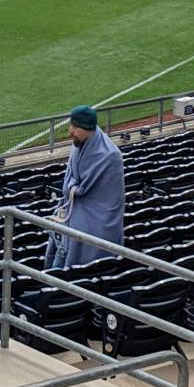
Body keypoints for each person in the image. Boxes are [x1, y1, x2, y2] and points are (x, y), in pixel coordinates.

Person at [50, 107, 123, 268]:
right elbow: (69, 184)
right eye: (71, 125)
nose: (71, 131)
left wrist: (72, 188)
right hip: (70, 223)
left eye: (77, 127)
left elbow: (83, 189)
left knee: (88, 272)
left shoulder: (111, 156)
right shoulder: (79, 145)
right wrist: (72, 188)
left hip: (97, 227)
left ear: (89, 129)